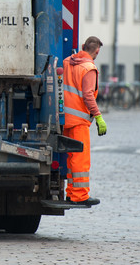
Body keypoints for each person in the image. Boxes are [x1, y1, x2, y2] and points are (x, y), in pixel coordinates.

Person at [62, 36, 106, 206]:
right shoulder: (89, 68)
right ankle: (79, 195)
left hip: (65, 119)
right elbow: (88, 95)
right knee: (80, 159)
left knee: (71, 157)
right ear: (97, 51)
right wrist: (98, 116)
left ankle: (71, 193)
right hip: (79, 121)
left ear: (82, 46)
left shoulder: (67, 62)